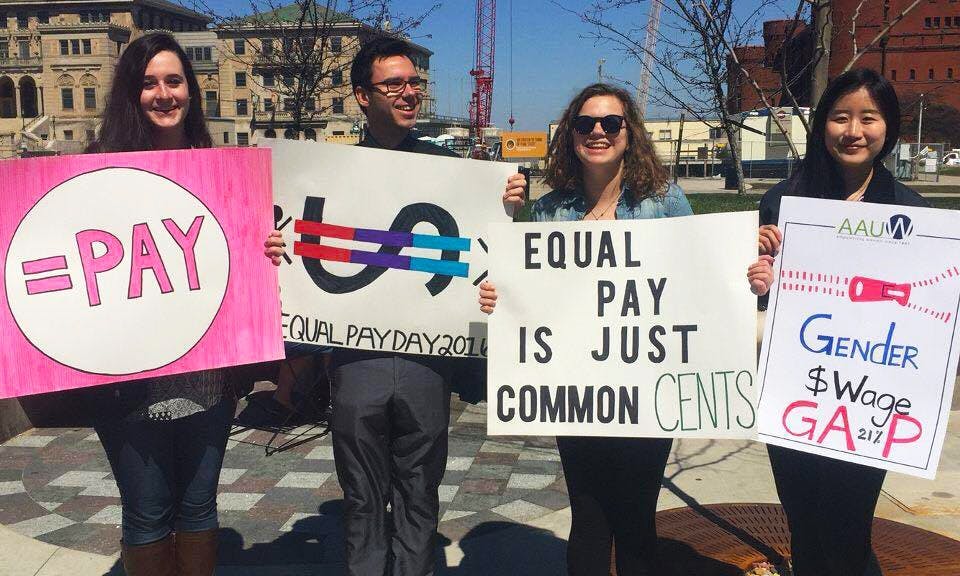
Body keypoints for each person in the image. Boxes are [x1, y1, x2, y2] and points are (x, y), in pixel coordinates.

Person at [482, 83, 772, 575]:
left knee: (636, 518)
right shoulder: (552, 210)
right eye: (585, 124)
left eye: (610, 123)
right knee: (589, 518)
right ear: (570, 135)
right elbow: (532, 292)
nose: (597, 132)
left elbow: (701, 276)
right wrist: (500, 296)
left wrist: (748, 277)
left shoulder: (664, 201)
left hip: (647, 391)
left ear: (629, 133)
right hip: (576, 392)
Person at [307, 35, 522, 576]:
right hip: (358, 361)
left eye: (415, 83)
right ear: (362, 95)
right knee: (361, 497)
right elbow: (305, 255)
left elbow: (491, 253)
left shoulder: (453, 172)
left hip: (430, 361)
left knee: (420, 493)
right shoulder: (330, 172)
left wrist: (509, 209)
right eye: (395, 84)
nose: (410, 93)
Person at [84, 32, 284, 576]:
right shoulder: (92, 173)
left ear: (192, 92)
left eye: (174, 81)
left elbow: (242, 261)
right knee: (147, 512)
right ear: (131, 94)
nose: (164, 94)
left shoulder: (221, 170)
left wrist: (264, 248)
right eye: (149, 83)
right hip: (127, 386)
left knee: (199, 510)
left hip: (207, 382)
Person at [753, 68, 928, 576]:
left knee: (850, 535)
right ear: (821, 124)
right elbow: (764, 295)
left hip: (869, 400)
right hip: (798, 394)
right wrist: (759, 273)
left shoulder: (912, 212)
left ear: (888, 128)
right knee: (804, 530)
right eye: (840, 117)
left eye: (868, 118)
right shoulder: (782, 203)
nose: (853, 130)